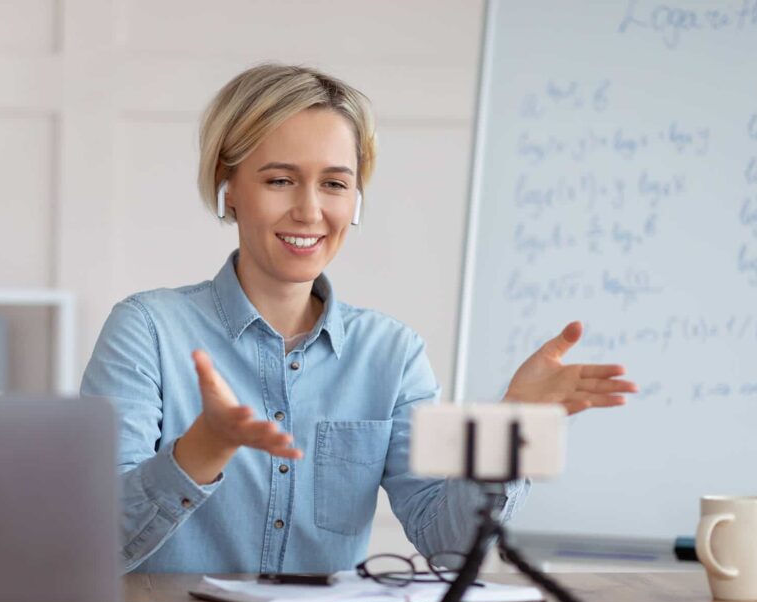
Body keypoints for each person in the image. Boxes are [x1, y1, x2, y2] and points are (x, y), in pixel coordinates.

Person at [81, 63, 637, 574]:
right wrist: (202, 448)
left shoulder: (392, 354)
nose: (309, 210)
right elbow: (93, 543)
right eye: (279, 180)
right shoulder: (147, 330)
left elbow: (446, 545)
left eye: (334, 183)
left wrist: (509, 430)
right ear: (229, 189)